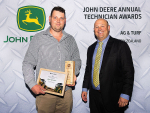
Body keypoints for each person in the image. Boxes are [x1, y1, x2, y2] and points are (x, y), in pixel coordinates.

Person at [22, 6, 81, 113]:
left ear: (65, 20)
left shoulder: (70, 40)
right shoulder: (38, 38)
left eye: (61, 18)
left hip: (66, 94)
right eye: (55, 17)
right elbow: (28, 63)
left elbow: (77, 59)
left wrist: (73, 73)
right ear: (49, 19)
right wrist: (31, 83)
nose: (58, 21)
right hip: (45, 93)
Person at [81, 18, 134, 113]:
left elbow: (128, 72)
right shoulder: (91, 48)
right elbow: (89, 70)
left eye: (102, 26)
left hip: (114, 98)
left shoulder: (121, 45)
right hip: (94, 98)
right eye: (96, 27)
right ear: (94, 30)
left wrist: (125, 94)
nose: (99, 29)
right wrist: (85, 88)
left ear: (108, 28)